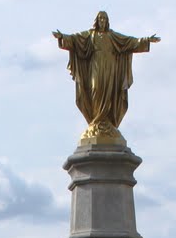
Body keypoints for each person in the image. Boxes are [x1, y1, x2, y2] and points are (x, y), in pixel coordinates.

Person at [53, 11, 160, 145]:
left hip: (110, 68)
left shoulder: (112, 36)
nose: (102, 21)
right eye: (100, 18)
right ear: (96, 21)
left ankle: (106, 123)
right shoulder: (91, 35)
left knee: (109, 93)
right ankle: (96, 122)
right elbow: (75, 40)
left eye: (104, 18)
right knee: (95, 89)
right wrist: (62, 37)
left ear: (107, 21)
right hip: (96, 66)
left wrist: (146, 40)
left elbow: (129, 41)